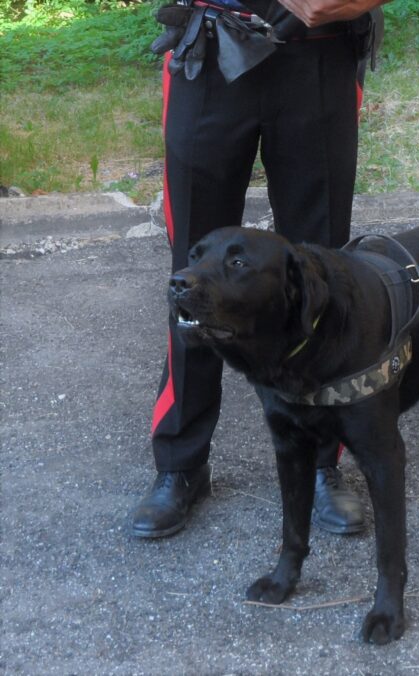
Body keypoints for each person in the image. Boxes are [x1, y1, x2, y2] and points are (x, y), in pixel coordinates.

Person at [130, 0, 391, 539]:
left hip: (322, 55)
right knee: (193, 279)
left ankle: (321, 460)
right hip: (212, 49)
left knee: (321, 279)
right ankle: (181, 463)